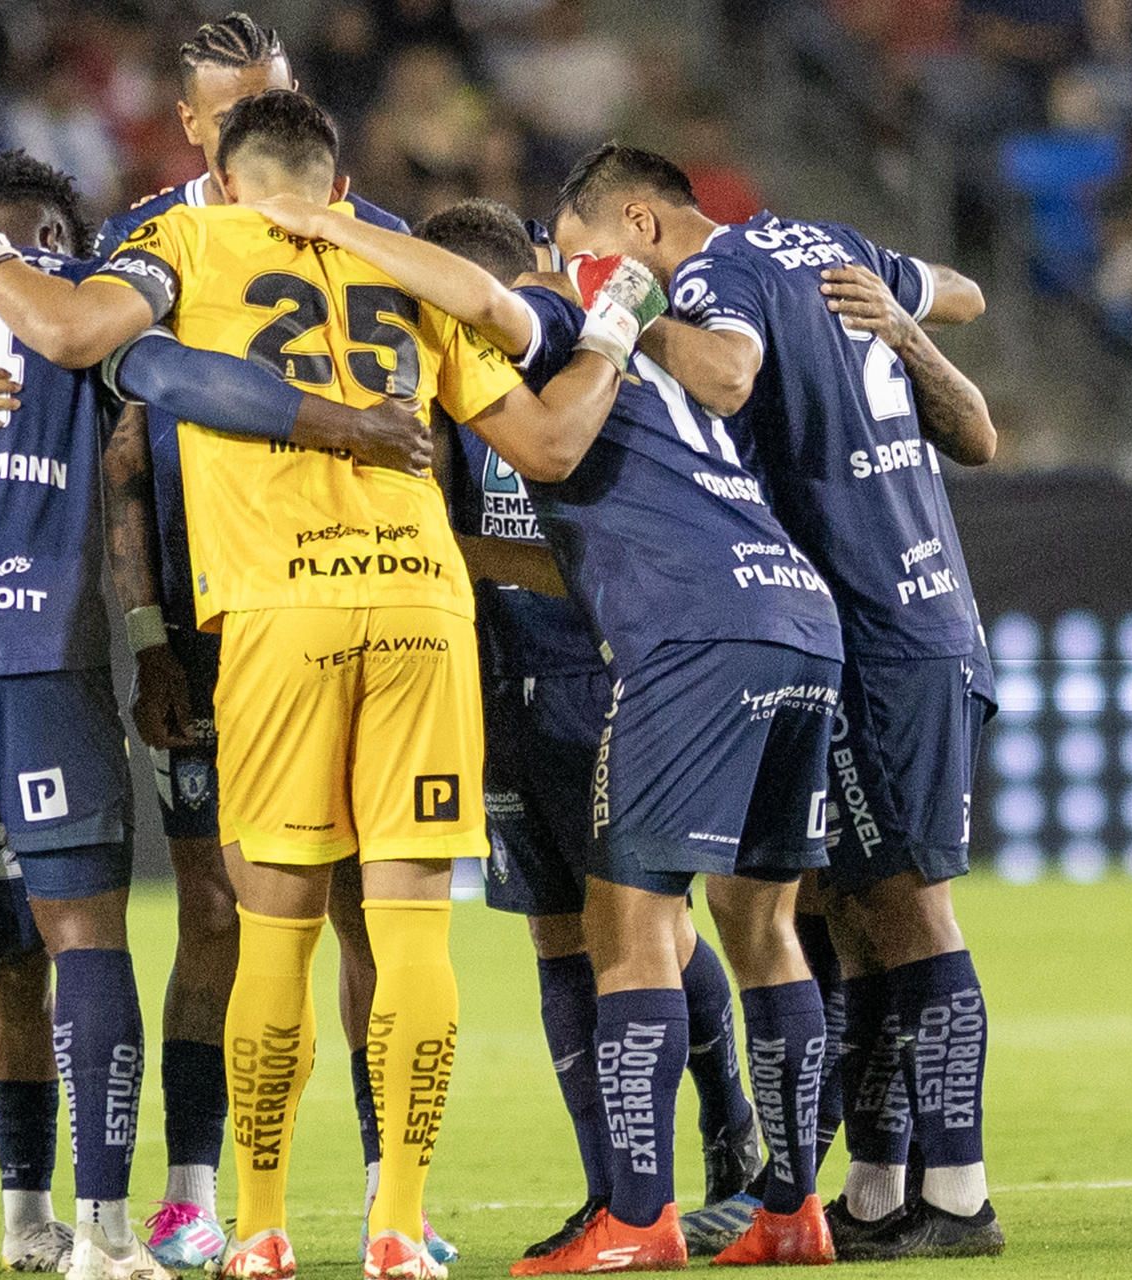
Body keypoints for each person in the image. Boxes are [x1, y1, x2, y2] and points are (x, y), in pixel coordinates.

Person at [0, 89, 627, 1280]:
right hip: (422, 603)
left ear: (225, 180)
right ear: (335, 185)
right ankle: (399, 1221)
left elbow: (81, 338)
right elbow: (543, 447)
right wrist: (611, 336)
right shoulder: (405, 264)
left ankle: (265, 1221)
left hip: (281, 611)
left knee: (269, 932)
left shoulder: (186, 239)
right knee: (405, 933)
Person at [263, 173, 844, 1267]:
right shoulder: (659, 374)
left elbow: (488, 307)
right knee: (757, 926)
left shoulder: (573, 333)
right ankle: (790, 1207)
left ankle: (638, 1217)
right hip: (790, 618)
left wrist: (335, 226)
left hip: (679, 642)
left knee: (631, 932)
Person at [561, 142, 1004, 1263]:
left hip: (881, 626)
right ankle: (876, 1182)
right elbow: (963, 290)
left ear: (643, 227)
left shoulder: (713, 280)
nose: (595, 285)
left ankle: (958, 1192)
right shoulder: (829, 247)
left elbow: (726, 374)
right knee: (848, 917)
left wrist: (619, 321)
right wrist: (906, 319)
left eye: (597, 260)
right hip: (906, 612)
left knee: (905, 911)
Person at [87, 16, 446, 1269]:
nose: (253, 121)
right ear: (192, 128)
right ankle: (201, 1188)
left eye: (272, 100)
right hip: (213, 614)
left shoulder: (371, 237)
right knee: (218, 912)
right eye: (232, 106)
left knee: (365, 916)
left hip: (326, 600)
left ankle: (385, 1192)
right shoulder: (160, 244)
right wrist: (148, 636)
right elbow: (127, 458)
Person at [405, 198, 763, 1269]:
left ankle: (730, 1129)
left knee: (643, 936)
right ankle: (610, 1191)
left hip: (611, 679)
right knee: (559, 939)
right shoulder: (456, 392)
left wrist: (461, 554)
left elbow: (602, 564)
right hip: (509, 690)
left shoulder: (584, 375)